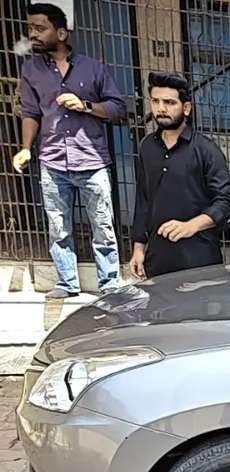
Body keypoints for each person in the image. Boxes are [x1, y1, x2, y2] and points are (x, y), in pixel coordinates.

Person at [15, 3, 127, 298]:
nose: (33, 34)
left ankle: (110, 283)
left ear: (61, 32)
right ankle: (66, 283)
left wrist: (86, 106)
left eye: (40, 28)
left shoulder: (94, 68)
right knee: (58, 227)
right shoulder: (30, 70)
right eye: (30, 29)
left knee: (103, 226)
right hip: (52, 161)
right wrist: (26, 148)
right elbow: (30, 113)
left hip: (92, 160)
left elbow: (118, 108)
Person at [130, 71, 230, 279]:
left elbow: (226, 202)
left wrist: (191, 226)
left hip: (200, 260)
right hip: (157, 260)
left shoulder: (205, 150)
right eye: (155, 101)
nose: (161, 109)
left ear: (186, 108)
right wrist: (138, 248)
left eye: (169, 102)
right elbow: (143, 200)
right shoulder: (146, 147)